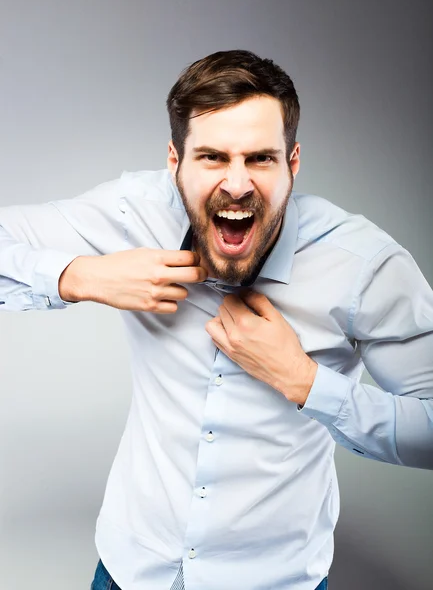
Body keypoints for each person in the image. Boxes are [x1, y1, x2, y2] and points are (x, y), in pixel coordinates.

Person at [1, 49, 432, 590]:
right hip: (130, 572)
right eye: (211, 157)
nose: (236, 184)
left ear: (291, 162)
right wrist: (78, 277)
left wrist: (305, 382)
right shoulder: (136, 212)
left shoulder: (364, 265)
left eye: (260, 158)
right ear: (174, 160)